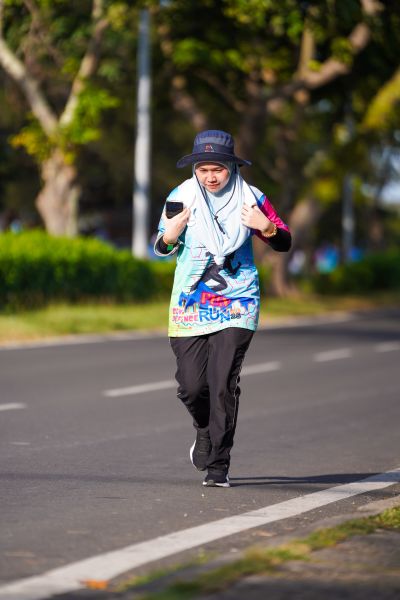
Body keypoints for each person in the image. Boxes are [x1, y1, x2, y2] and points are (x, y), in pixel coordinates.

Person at [154, 130, 291, 488]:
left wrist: (267, 228)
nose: (211, 177)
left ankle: (218, 465)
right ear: (195, 169)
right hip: (190, 302)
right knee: (191, 386)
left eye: (218, 169)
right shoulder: (180, 197)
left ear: (232, 166)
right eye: (203, 170)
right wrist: (170, 235)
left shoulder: (252, 198)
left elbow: (284, 240)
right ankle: (204, 428)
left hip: (239, 301)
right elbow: (162, 246)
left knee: (222, 384)